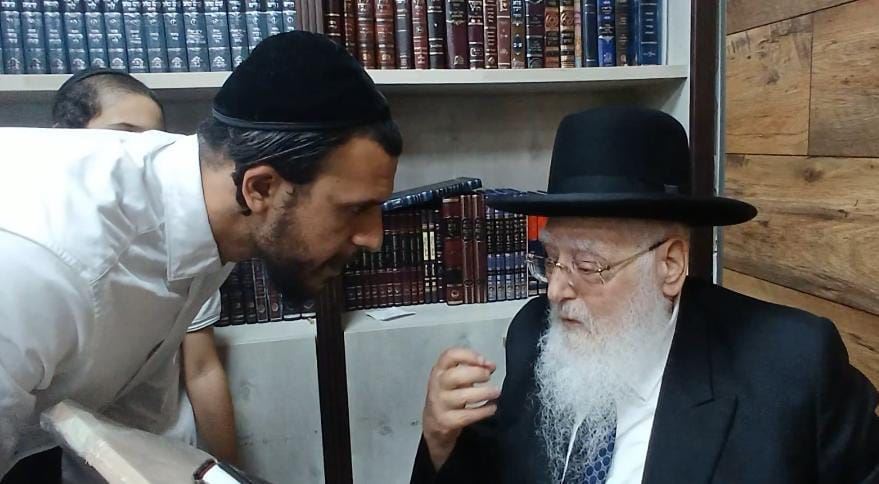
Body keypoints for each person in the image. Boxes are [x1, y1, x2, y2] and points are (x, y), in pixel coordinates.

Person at [0, 31, 401, 482]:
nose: (374, 238)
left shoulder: (212, 211)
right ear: (261, 188)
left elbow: (123, 433)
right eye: (354, 208)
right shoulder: (45, 262)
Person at [411, 107, 879, 483]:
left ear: (669, 265)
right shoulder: (533, 332)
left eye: (588, 266)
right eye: (551, 259)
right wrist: (440, 441)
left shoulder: (793, 368)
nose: (554, 290)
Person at [51, 68, 239, 471]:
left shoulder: (186, 245)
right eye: (123, 137)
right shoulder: (39, 250)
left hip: (168, 453)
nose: (140, 156)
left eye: (154, 142)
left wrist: (229, 470)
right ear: (65, 140)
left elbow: (202, 368)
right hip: (67, 459)